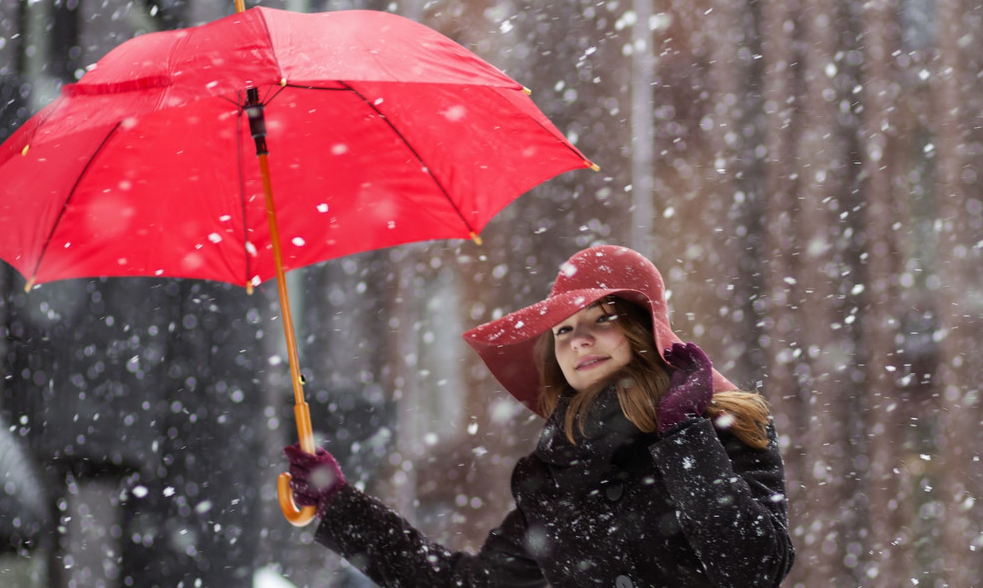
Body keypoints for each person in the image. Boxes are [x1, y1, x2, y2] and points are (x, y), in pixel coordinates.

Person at [284, 244, 794, 587]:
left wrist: (684, 437)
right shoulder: (555, 473)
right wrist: (342, 507)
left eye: (602, 320)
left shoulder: (724, 430)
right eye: (565, 330)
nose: (580, 341)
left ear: (645, 334)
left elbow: (753, 567)